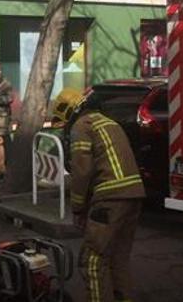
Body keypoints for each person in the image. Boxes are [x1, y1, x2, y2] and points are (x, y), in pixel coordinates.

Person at [51, 88, 144, 302]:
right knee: (118, 260)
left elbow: (82, 171)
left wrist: (77, 208)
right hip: (133, 195)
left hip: (109, 199)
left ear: (71, 111)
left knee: (92, 261)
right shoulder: (109, 122)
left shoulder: (81, 127)